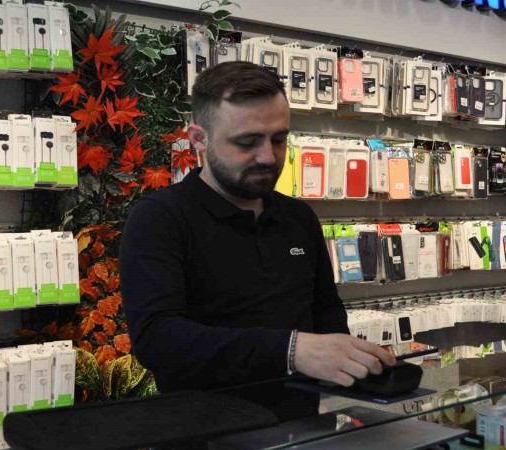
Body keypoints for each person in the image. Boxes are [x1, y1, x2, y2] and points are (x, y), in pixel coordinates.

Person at [120, 61, 395, 421]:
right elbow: (157, 339)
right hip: (202, 435)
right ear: (199, 139)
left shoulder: (299, 217)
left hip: (301, 430)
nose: (268, 156)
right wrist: (291, 350)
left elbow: (326, 312)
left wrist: (352, 361)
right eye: (247, 142)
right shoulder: (160, 218)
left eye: (279, 139)